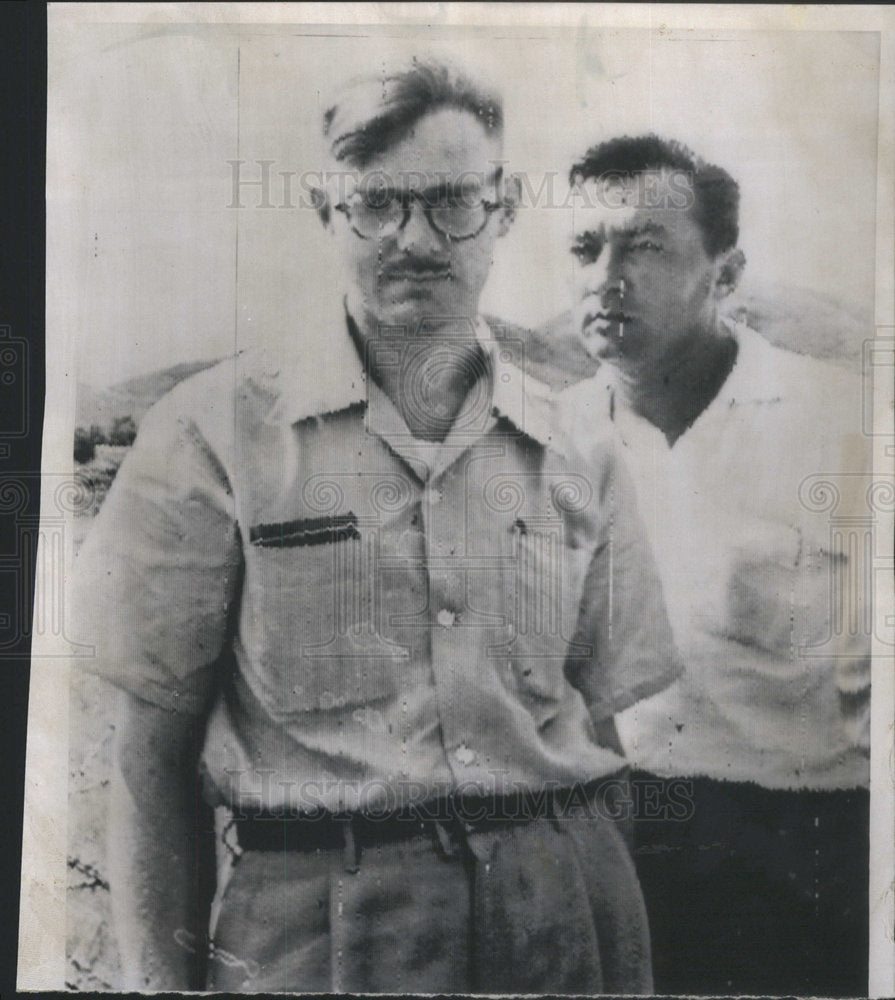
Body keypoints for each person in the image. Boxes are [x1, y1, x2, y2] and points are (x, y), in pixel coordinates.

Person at [72, 64, 680, 994]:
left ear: (505, 207)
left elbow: (603, 719)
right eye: (377, 206)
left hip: (566, 917)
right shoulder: (215, 435)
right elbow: (149, 758)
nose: (415, 240)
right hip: (319, 936)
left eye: (451, 204)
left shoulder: (577, 443)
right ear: (325, 209)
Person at [556, 134, 871, 997]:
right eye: (585, 248)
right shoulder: (550, 445)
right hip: (627, 833)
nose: (604, 275)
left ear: (726, 276)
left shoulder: (845, 427)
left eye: (644, 247)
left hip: (820, 845)